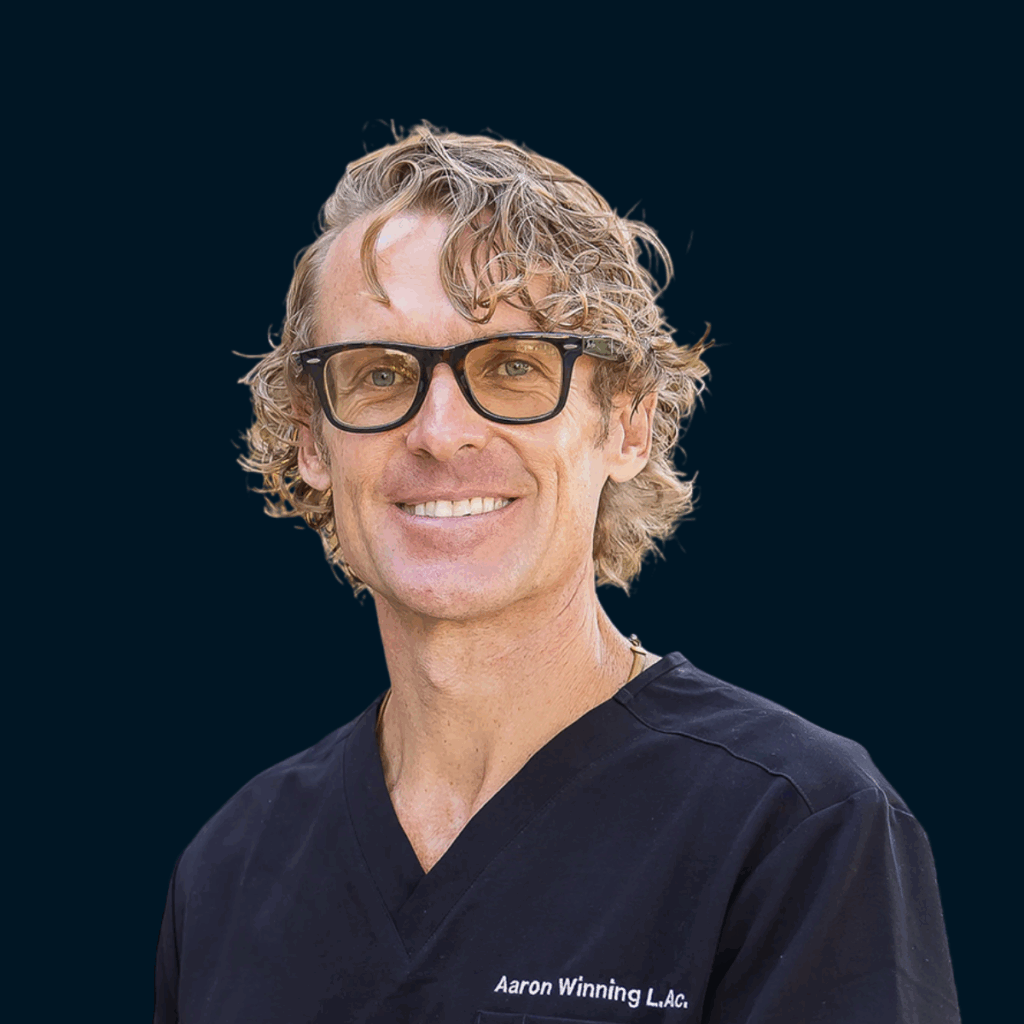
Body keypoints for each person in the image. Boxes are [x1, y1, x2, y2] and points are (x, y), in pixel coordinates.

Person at [154, 124, 960, 1022]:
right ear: (312, 439)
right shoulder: (229, 871)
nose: (440, 433)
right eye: (379, 373)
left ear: (628, 422)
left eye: (511, 367)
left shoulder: (797, 829)